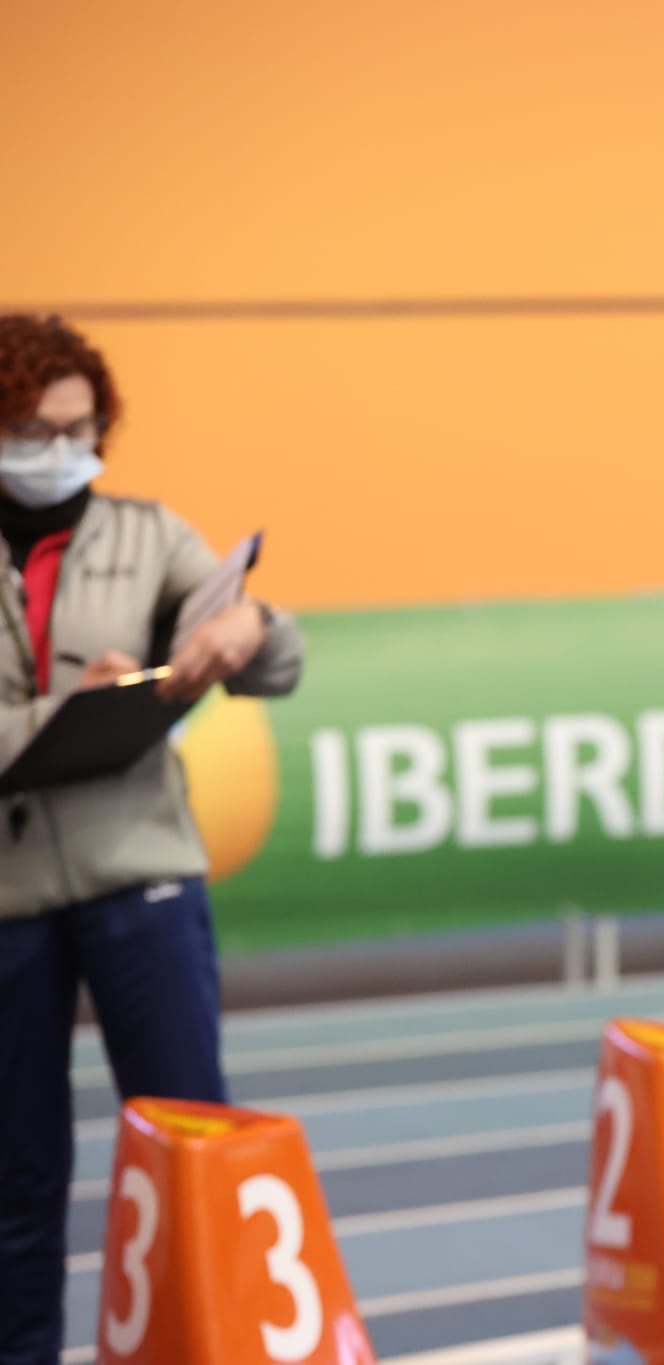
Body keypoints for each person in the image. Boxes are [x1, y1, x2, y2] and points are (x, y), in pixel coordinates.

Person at [0, 313, 307, 1363]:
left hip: (144, 882)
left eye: (81, 431)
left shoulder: (143, 532)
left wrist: (247, 628)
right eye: (37, 430)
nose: (62, 454)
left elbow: (280, 658)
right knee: (18, 1180)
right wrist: (54, 718)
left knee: (190, 1141)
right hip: (8, 898)